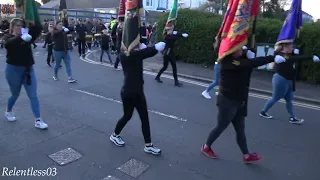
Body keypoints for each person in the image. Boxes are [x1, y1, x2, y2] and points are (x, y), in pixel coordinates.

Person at [201, 46, 287, 163]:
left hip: (240, 101)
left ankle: (246, 155)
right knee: (221, 126)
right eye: (239, 48)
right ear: (231, 50)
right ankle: (206, 147)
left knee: (240, 129)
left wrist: (249, 52)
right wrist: (272, 58)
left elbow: (249, 65)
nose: (241, 50)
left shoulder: (241, 58)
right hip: (227, 100)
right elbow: (248, 63)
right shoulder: (227, 61)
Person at [110, 42, 166, 155]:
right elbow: (144, 53)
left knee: (143, 117)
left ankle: (148, 145)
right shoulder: (127, 55)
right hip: (129, 92)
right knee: (127, 116)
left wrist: (145, 47)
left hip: (137, 91)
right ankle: (114, 135)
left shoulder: (131, 54)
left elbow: (143, 53)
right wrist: (155, 47)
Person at [2, 18, 48, 129]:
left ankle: (38, 120)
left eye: (21, 25)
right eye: (16, 25)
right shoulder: (6, 37)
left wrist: (32, 19)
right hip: (13, 71)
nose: (19, 27)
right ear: (12, 27)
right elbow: (9, 44)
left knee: (33, 95)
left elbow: (38, 28)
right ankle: (8, 111)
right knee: (15, 94)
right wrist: (20, 37)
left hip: (28, 70)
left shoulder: (27, 36)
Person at [259, 43, 319, 124]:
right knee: (275, 97)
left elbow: (293, 58)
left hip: (290, 80)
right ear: (284, 47)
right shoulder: (280, 55)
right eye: (291, 46)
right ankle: (263, 112)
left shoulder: (288, 54)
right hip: (281, 79)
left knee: (289, 100)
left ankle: (292, 117)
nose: (292, 48)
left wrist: (294, 52)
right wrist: (310, 57)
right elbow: (291, 58)